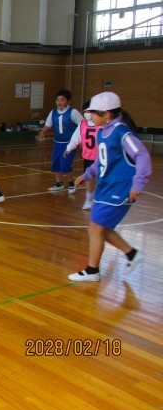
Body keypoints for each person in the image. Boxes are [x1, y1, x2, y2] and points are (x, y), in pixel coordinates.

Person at [68, 92, 151, 282]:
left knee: (95, 228)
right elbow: (101, 160)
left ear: (107, 114)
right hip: (105, 188)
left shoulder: (122, 133)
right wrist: (87, 174)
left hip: (118, 190)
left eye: (93, 113)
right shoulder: (103, 132)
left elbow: (142, 155)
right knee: (98, 228)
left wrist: (139, 183)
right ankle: (131, 254)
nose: (90, 116)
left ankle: (92, 270)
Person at [38, 89, 84, 193]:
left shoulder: (73, 112)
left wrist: (81, 140)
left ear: (68, 101)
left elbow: (83, 125)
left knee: (65, 163)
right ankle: (59, 183)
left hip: (69, 144)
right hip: (57, 143)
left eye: (62, 100)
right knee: (56, 163)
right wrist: (42, 132)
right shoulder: (53, 112)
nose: (59, 102)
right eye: (57, 100)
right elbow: (48, 124)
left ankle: (71, 183)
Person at [64, 100, 99, 210]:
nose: (87, 114)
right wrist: (69, 148)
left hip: (100, 157)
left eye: (89, 111)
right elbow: (76, 137)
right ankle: (89, 199)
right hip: (88, 156)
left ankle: (99, 199)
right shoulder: (82, 124)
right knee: (89, 178)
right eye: (85, 112)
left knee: (101, 179)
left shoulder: (102, 124)